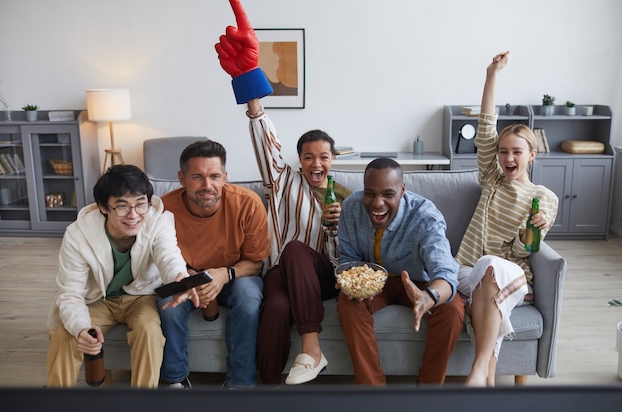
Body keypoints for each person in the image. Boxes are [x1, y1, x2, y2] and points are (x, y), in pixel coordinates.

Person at [215, 0, 352, 385]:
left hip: (321, 276)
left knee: (295, 249)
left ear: (331, 160)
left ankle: (312, 347)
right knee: (274, 306)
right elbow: (262, 131)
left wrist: (334, 228)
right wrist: (250, 87)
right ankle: (267, 389)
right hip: (279, 273)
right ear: (298, 160)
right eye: (307, 157)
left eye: (322, 157)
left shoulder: (343, 197)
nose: (315, 164)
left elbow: (346, 261)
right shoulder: (283, 178)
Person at [455, 51, 558, 387]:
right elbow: (486, 126)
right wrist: (491, 74)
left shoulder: (544, 199)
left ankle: (480, 373)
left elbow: (522, 251)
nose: (508, 157)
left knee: (493, 271)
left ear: (532, 154)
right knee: (487, 267)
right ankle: (484, 372)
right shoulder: (492, 178)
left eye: (516, 151)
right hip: (467, 271)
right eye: (503, 151)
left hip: (508, 273)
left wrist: (535, 230)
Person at [45, 164, 189, 388]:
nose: (133, 215)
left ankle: (141, 404)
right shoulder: (77, 234)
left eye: (141, 204)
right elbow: (70, 294)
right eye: (122, 207)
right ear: (103, 207)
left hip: (141, 298)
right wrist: (82, 329)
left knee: (149, 331)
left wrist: (179, 278)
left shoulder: (160, 220)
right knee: (65, 333)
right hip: (97, 301)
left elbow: (169, 256)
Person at [337, 158, 465, 385]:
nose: (377, 203)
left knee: (452, 308)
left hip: (417, 282)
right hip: (373, 282)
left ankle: (428, 391)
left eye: (388, 194)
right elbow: (349, 259)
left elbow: (445, 272)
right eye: (370, 193)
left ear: (402, 191)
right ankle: (372, 393)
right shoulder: (351, 207)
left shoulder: (425, 216)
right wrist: (349, 281)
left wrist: (429, 297)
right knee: (348, 303)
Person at [157, 140, 270, 389]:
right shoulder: (164, 208)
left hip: (235, 277)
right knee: (168, 304)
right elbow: (155, 258)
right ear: (182, 178)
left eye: (214, 176)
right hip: (183, 277)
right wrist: (186, 276)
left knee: (248, 298)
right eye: (197, 177)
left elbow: (255, 263)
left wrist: (225, 274)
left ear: (225, 177)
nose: (207, 186)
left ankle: (240, 384)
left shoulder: (248, 204)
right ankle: (175, 381)